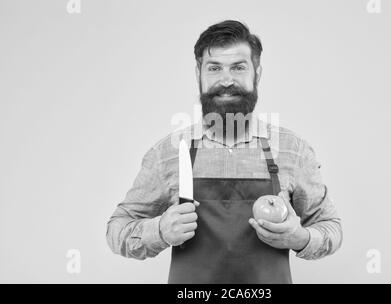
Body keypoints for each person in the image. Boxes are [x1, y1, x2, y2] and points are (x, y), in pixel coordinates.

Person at [106, 20, 343, 283]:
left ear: (258, 73)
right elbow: (118, 230)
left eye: (238, 68)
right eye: (214, 68)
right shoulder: (171, 153)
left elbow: (330, 227)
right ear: (199, 74)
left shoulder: (292, 150)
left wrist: (301, 238)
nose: (227, 80)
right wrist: (159, 230)